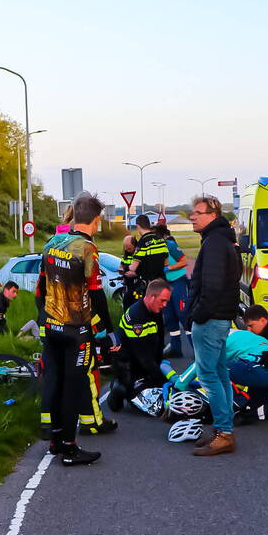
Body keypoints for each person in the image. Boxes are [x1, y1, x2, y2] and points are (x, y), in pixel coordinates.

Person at [35, 192, 115, 466]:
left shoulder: (52, 242)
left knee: (55, 382)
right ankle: (69, 448)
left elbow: (41, 287)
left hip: (51, 325)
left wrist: (44, 316)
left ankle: (56, 440)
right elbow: (96, 294)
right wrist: (106, 330)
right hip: (75, 330)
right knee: (73, 385)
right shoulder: (87, 248)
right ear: (96, 219)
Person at [187, 195, 242, 456]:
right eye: (192, 213)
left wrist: (198, 315)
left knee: (208, 374)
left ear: (213, 214)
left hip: (211, 319)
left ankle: (224, 433)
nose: (192, 217)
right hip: (220, 317)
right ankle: (224, 428)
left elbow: (212, 285)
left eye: (197, 212)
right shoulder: (223, 239)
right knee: (220, 373)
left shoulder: (215, 242)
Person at [107, 279, 173, 411]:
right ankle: (120, 387)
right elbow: (143, 357)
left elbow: (160, 341)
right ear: (151, 297)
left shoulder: (156, 310)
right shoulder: (136, 316)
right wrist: (163, 381)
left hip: (143, 361)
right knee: (154, 407)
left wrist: (159, 368)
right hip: (128, 366)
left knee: (161, 398)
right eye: (163, 300)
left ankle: (137, 386)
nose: (165, 305)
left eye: (167, 301)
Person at [154, 223, 191, 357]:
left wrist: (168, 268)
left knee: (183, 314)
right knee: (169, 317)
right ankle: (176, 349)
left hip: (178, 282)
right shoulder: (155, 248)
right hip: (165, 285)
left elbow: (184, 261)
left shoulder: (170, 245)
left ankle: (196, 350)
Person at [126, 215, 169, 304]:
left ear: (138, 226)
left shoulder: (142, 242)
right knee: (159, 310)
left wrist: (128, 267)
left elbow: (133, 268)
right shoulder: (160, 239)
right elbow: (166, 263)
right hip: (162, 283)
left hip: (149, 286)